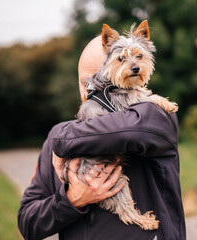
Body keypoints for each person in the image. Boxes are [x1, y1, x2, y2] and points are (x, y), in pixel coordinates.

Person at [18, 36, 186, 240]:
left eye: (103, 80)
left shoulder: (156, 116)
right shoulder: (57, 136)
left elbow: (127, 130)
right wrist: (71, 200)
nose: (95, 88)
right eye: (86, 82)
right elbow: (28, 223)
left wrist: (62, 141)